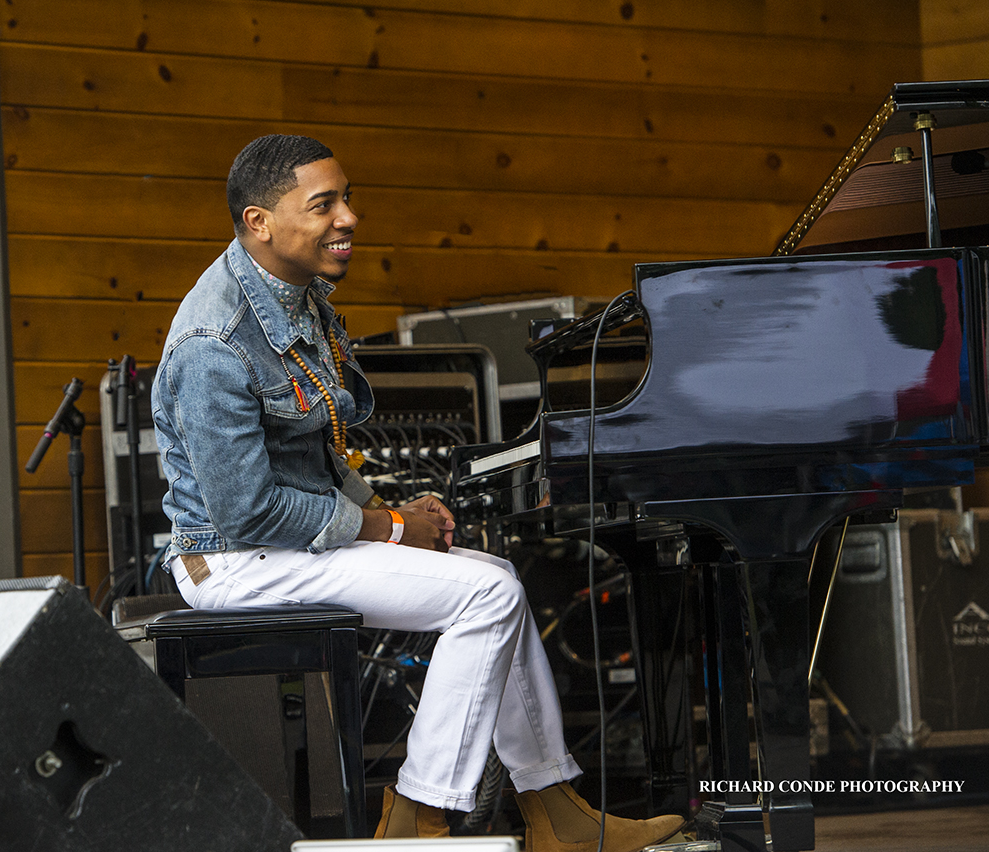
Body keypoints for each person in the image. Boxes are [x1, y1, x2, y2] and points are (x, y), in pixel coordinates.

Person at [150, 134, 684, 852]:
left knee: (497, 578)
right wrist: (391, 526)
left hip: (276, 544)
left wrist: (384, 511)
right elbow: (247, 512)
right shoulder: (214, 344)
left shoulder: (293, 294)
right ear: (259, 223)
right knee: (487, 595)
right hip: (234, 560)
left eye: (348, 198)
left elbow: (313, 445)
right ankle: (417, 819)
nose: (348, 218)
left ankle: (554, 809)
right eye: (324, 204)